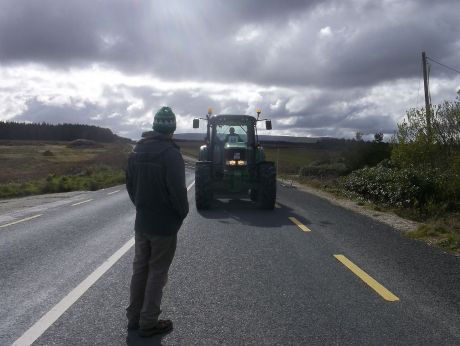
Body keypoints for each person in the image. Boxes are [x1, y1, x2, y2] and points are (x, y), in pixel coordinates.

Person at [125, 106, 189, 337]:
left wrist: (142, 207)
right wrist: (180, 214)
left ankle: (133, 318)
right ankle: (149, 321)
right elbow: (178, 193)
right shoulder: (171, 154)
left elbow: (130, 186)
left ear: (154, 126)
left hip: (142, 222)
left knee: (140, 268)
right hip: (163, 225)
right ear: (171, 128)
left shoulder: (137, 150)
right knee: (157, 271)